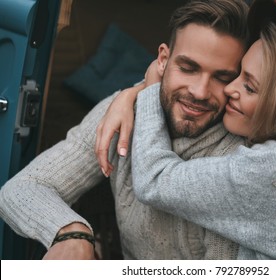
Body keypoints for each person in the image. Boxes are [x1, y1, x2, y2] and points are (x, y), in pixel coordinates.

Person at [98, 0, 276, 259]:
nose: (229, 89)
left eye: (248, 85)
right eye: (237, 75)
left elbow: (155, 181)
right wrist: (131, 93)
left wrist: (150, 89)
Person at [0, 0, 249, 259]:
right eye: (188, 68)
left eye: (222, 78)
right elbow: (22, 188)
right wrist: (72, 232)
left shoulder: (241, 158)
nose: (199, 92)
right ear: (163, 60)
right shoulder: (122, 112)